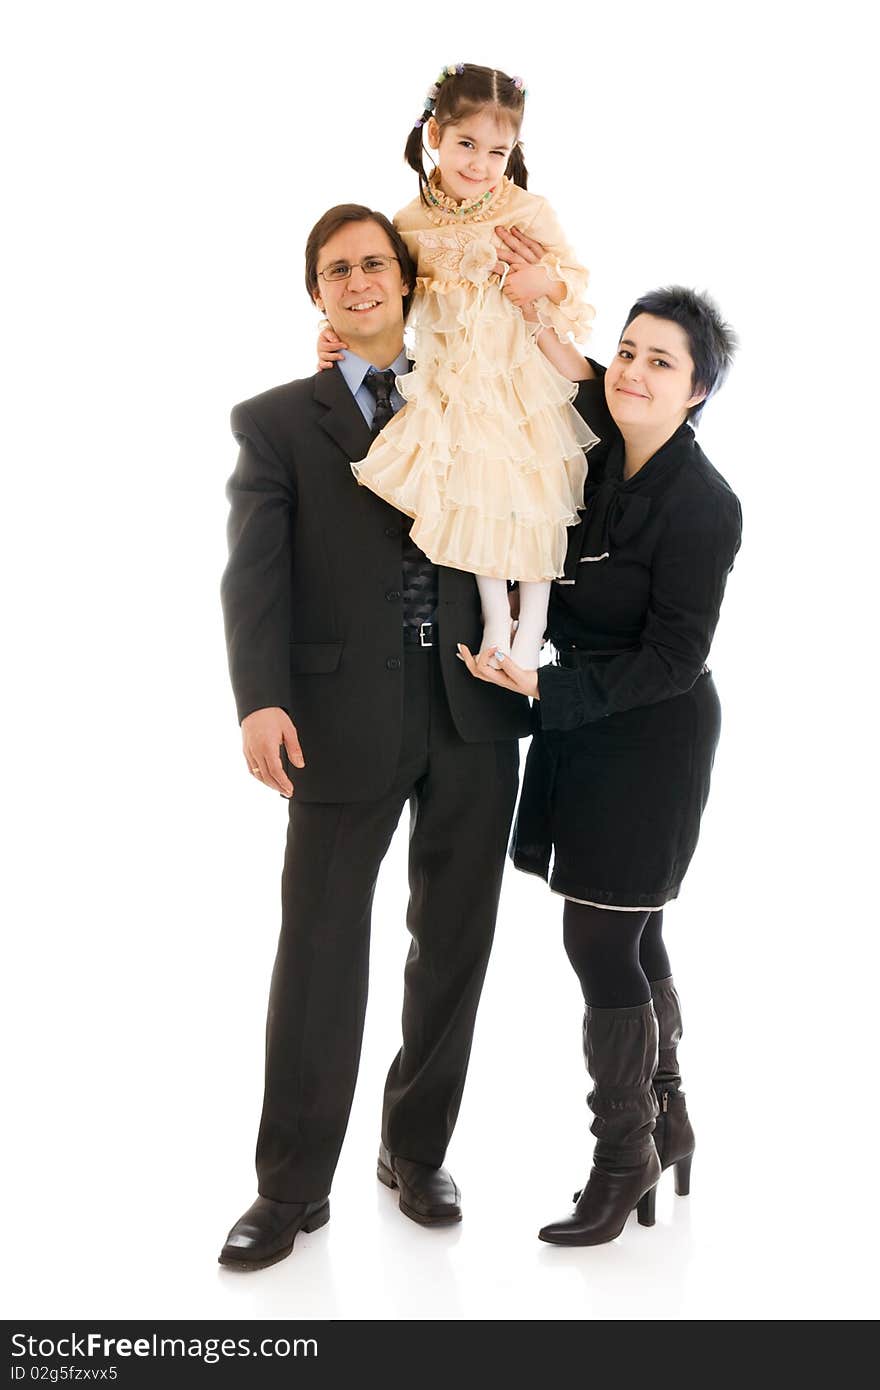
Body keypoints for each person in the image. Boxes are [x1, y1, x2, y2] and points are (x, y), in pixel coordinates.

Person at [218, 203, 530, 1271]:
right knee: (317, 949)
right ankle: (289, 1186)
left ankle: (416, 1149)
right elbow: (252, 574)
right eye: (336, 269)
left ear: (407, 281)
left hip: (476, 713)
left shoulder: (467, 392)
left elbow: (554, 435)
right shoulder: (274, 423)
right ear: (318, 294)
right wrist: (259, 697)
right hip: (335, 722)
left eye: (374, 264)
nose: (358, 281)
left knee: (454, 947)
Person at [459, 245, 742, 1247]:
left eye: (660, 362)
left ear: (697, 389)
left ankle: (621, 1156)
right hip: (583, 725)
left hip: (650, 736)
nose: (631, 371)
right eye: (626, 352)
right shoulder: (593, 441)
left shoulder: (705, 505)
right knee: (630, 930)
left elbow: (675, 657)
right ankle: (667, 1121)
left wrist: (546, 683)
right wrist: (538, 306)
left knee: (597, 939)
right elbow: (566, 371)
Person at [348, 62, 599, 670]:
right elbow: (387, 297)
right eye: (466, 144)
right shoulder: (408, 224)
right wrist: (341, 333)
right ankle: (495, 617)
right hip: (453, 383)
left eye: (497, 150)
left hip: (516, 378)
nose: (480, 163)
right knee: (473, 496)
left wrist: (545, 280)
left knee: (533, 494)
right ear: (434, 134)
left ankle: (533, 618)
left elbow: (576, 285)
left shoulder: (527, 210)